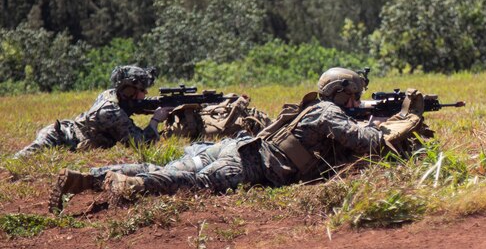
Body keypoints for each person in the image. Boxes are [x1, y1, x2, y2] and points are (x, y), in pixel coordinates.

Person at [50, 67, 428, 211]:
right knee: (186, 182)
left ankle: (88, 177)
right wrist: (402, 118)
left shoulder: (315, 109)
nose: (358, 100)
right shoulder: (329, 113)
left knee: (165, 165)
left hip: (237, 147)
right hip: (249, 164)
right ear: (342, 92)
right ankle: (123, 182)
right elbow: (367, 144)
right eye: (355, 94)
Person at [12, 65, 170, 159]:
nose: (146, 93)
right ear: (129, 91)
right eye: (142, 89)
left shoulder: (113, 95)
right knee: (18, 161)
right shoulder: (111, 111)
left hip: (67, 133)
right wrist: (156, 120)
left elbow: (138, 105)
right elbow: (140, 144)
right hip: (58, 138)